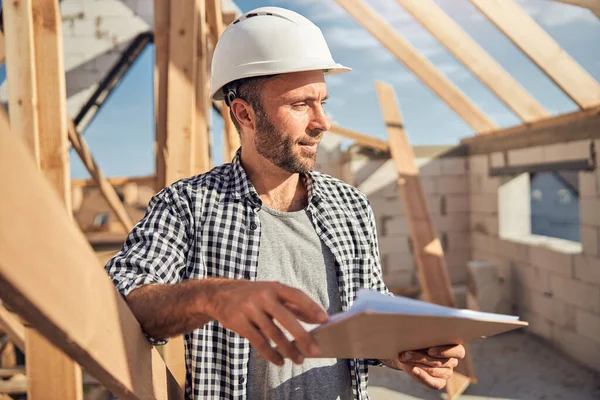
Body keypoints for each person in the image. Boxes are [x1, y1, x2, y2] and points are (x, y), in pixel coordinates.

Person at [105, 6, 465, 400]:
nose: (322, 121)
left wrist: (408, 350)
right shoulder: (187, 207)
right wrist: (213, 295)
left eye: (322, 101)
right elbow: (120, 301)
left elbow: (367, 321)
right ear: (245, 113)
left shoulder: (350, 206)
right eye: (300, 104)